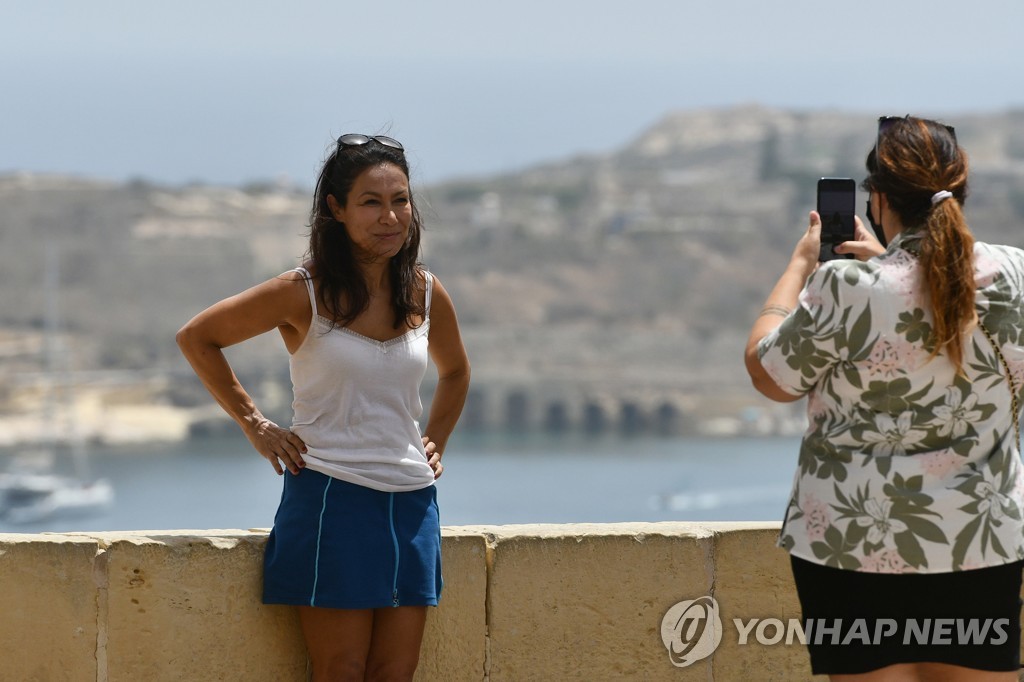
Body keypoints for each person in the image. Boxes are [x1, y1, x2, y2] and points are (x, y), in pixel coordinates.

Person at [176, 133, 470, 681]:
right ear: (336, 209)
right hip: (331, 495)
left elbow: (456, 373)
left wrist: (436, 440)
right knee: (341, 669)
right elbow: (198, 337)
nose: (390, 216)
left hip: (412, 504)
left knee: (395, 673)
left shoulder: (426, 292)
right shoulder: (301, 292)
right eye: (371, 202)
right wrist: (256, 425)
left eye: (400, 200)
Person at [745, 116, 1024, 680]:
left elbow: (769, 375)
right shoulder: (1015, 274)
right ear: (959, 190)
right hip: (980, 540)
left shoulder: (846, 287)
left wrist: (801, 266)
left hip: (850, 546)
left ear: (877, 199)